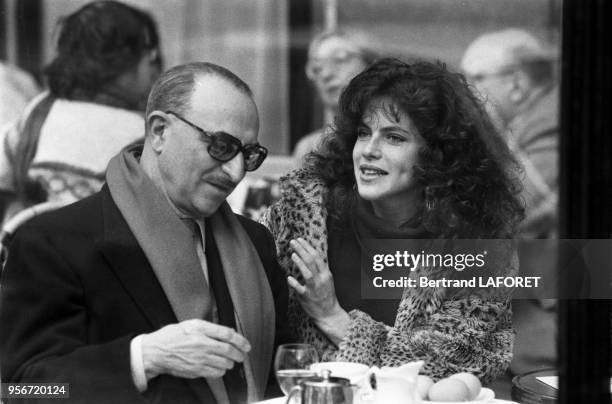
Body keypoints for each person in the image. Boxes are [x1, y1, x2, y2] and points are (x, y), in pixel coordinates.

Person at [0, 62, 289, 403]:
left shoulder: (256, 242)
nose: (235, 171)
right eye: (221, 146)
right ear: (159, 131)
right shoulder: (53, 241)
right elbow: (23, 389)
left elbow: (279, 378)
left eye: (249, 154)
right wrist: (142, 358)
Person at [262, 58, 524, 383]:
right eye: (363, 133)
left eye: (394, 137)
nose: (369, 150)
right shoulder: (301, 213)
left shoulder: (479, 246)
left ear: (437, 154)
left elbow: (443, 370)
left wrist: (332, 317)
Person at [0, 1, 162, 222]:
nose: (153, 68)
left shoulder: (42, 109)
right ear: (124, 60)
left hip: (28, 247)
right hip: (99, 251)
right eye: (149, 56)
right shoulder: (141, 132)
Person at [461, 29, 560, 389]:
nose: (465, 93)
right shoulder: (526, 127)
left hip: (546, 346)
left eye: (474, 79)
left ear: (516, 83)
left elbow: (513, 210)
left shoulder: (553, 123)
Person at [293, 29, 377, 165]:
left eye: (340, 60)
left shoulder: (389, 137)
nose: (326, 75)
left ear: (370, 65)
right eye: (317, 68)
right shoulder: (309, 148)